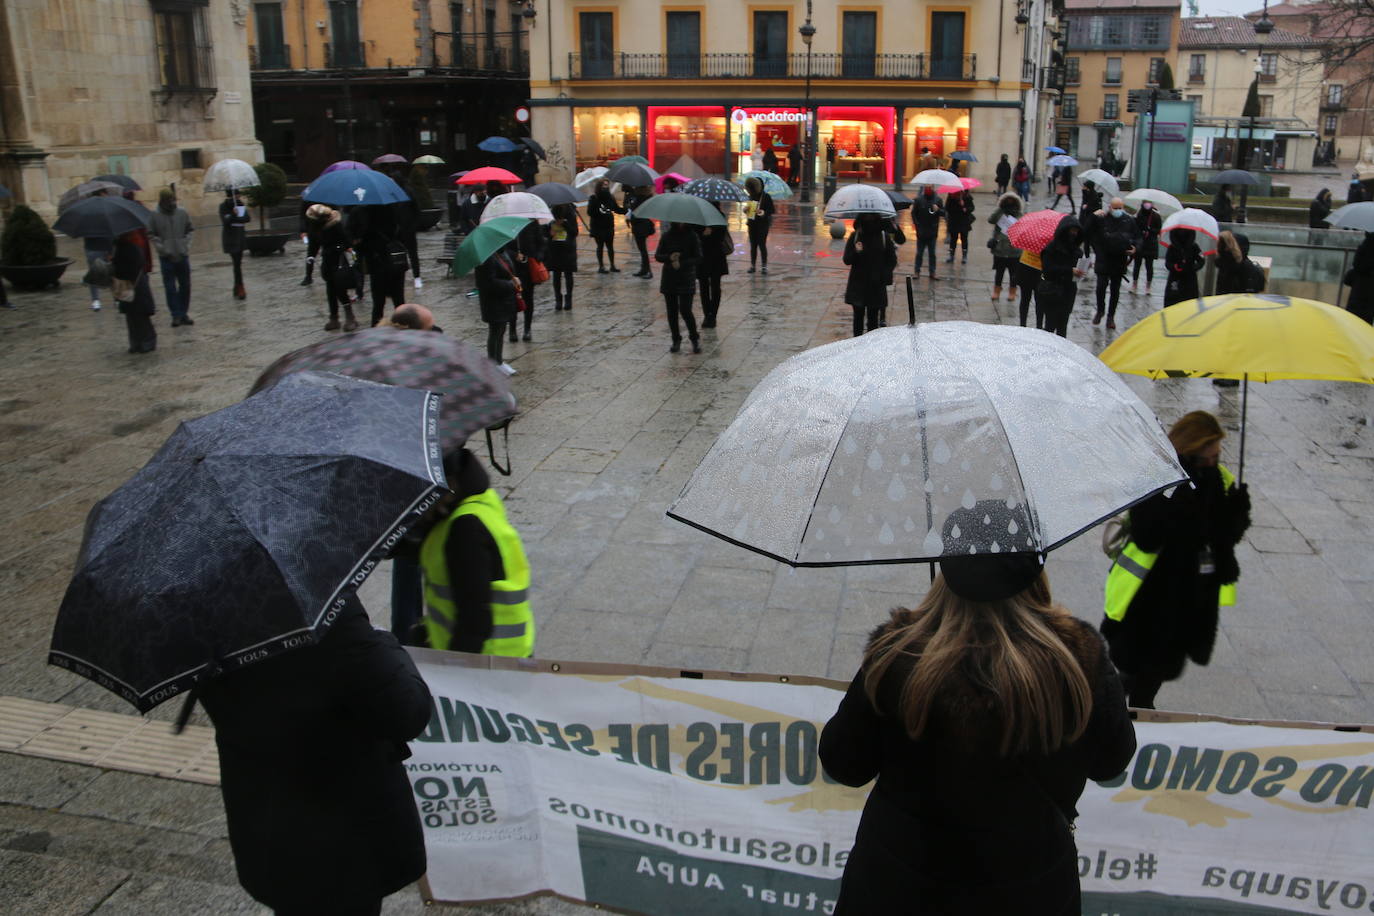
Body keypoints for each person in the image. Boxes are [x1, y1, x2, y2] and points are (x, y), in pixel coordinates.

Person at [820, 547, 1136, 914]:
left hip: (898, 885)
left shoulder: (899, 656)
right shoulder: (1079, 661)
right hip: (1030, 889)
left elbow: (843, 764)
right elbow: (1112, 761)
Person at [197, 595, 431, 916]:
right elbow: (407, 712)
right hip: (344, 834)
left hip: (263, 818)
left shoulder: (195, 607)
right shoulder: (323, 604)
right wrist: (384, 641)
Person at [1101, 411, 1250, 709]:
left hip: (1193, 595)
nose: (1214, 460)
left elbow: (1222, 537)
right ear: (1191, 447)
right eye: (1209, 454)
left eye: (1217, 454)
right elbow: (1147, 535)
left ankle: (1119, 704)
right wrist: (1184, 509)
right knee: (1146, 668)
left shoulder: (1219, 480)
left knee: (1154, 670)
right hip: (1154, 595)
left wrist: (1237, 513)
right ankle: (1129, 719)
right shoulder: (1159, 476)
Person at [418, 448, 534, 655]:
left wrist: (454, 671)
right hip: (504, 657)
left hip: (488, 665)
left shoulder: (465, 529)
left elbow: (474, 622)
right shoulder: (478, 499)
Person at [305, 204, 360, 332]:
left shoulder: (335, 225)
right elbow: (313, 244)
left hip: (338, 259)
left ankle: (350, 316)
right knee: (330, 288)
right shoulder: (314, 227)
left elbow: (346, 241)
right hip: (327, 261)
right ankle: (333, 317)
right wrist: (311, 257)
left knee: (339, 287)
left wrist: (339, 248)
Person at [351, 205, 408, 327]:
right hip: (396, 260)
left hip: (378, 264)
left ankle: (376, 330)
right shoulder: (393, 209)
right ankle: (405, 327)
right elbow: (403, 233)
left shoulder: (363, 213)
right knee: (399, 300)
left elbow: (361, 246)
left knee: (378, 303)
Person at [843, 213, 898, 337]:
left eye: (872, 216)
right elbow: (847, 259)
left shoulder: (884, 237)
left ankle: (869, 349)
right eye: (866, 216)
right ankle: (857, 345)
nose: (869, 219)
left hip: (876, 285)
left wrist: (883, 274)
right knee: (858, 319)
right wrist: (856, 252)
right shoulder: (855, 236)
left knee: (873, 321)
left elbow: (892, 260)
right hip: (858, 285)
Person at [1087, 197, 1139, 330]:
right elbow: (1087, 231)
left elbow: (1137, 237)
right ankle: (1100, 311)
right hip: (1103, 259)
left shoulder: (1129, 221)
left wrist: (1135, 248)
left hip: (1119, 260)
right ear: (1109, 207)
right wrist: (1093, 216)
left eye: (1119, 208)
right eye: (1115, 208)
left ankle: (1111, 316)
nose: (1117, 211)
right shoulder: (1102, 219)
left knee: (1115, 290)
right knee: (1101, 287)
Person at [147, 188, 194, 327]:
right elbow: (151, 234)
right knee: (170, 287)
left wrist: (185, 245)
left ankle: (184, 312)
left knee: (185, 285)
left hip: (182, 254)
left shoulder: (182, 213)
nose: (171, 202)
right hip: (166, 257)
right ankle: (176, 314)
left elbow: (190, 230)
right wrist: (162, 248)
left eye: (172, 199)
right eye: (168, 200)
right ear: (162, 201)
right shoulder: (154, 215)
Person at [655, 221, 702, 354]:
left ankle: (694, 338)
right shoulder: (666, 236)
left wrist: (681, 262)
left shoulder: (692, 236)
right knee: (671, 311)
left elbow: (698, 257)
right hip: (669, 278)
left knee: (686, 310)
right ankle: (676, 339)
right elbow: (658, 256)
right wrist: (670, 258)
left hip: (686, 277)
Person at [1037, 216, 1086, 337]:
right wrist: (1070, 270)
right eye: (1071, 230)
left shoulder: (1077, 251)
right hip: (1052, 291)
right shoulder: (1051, 249)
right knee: (1050, 325)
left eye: (1076, 231)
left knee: (1063, 325)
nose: (1074, 234)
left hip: (1068, 291)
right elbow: (1048, 270)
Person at [111, 228, 157, 354]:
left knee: (139, 316)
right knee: (132, 316)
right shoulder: (118, 248)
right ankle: (137, 343)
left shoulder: (131, 248)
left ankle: (146, 342)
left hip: (135, 286)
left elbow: (135, 266)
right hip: (129, 286)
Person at [695, 208, 732, 329]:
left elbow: (722, 235)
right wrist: (702, 232)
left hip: (716, 256)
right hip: (703, 256)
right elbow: (694, 234)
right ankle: (708, 315)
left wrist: (712, 232)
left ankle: (712, 316)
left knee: (715, 286)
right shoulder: (697, 217)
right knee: (704, 286)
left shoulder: (719, 215)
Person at [509, 219, 545, 341]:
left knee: (528, 299)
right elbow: (502, 249)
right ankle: (512, 330)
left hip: (529, 268)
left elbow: (541, 244)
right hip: (512, 270)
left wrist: (538, 257)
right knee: (513, 300)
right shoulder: (509, 224)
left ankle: (527, 329)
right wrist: (514, 255)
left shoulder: (533, 224)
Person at [988, 193, 1023, 306]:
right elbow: (991, 220)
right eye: (1007, 200)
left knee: (1014, 273)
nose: (1009, 203)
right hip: (1000, 248)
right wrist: (999, 209)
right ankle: (996, 291)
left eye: (1012, 201)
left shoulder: (1019, 215)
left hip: (1014, 250)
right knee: (999, 272)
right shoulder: (1000, 213)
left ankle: (1012, 291)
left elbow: (1022, 228)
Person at [587, 178, 626, 273]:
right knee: (600, 246)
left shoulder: (610, 197)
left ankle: (612, 265)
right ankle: (601, 266)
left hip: (608, 225)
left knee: (610, 246)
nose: (606, 186)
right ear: (599, 186)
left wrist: (626, 210)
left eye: (607, 185)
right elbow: (590, 212)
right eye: (604, 185)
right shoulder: (594, 198)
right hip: (598, 226)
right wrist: (599, 210)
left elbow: (616, 209)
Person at [544, 202, 578, 311]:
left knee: (568, 274)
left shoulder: (570, 213)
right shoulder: (548, 215)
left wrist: (564, 224)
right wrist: (550, 233)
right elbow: (543, 232)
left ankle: (569, 299)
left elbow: (574, 232)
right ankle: (558, 299)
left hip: (568, 249)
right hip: (554, 249)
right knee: (556, 275)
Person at [219, 190, 251, 300]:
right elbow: (225, 220)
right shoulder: (223, 206)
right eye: (237, 195)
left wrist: (236, 217)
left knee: (238, 263)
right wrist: (233, 214)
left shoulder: (240, 204)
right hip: (231, 238)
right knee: (236, 263)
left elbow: (246, 218)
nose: (239, 197)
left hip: (240, 237)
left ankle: (236, 287)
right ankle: (240, 287)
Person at [1162, 227, 1204, 307]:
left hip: (1190, 279)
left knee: (1190, 303)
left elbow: (1201, 261)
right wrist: (1175, 267)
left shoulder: (1194, 247)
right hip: (1175, 279)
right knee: (1172, 303)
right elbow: (1167, 263)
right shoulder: (1172, 247)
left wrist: (1193, 268)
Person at [912, 187, 945, 280]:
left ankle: (932, 272)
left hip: (932, 231)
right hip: (921, 231)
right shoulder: (919, 200)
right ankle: (917, 271)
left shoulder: (938, 200)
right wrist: (917, 225)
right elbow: (914, 213)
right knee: (919, 253)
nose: (928, 189)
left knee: (932, 253)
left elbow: (944, 213)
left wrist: (938, 210)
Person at [744, 176, 774, 274]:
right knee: (753, 245)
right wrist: (746, 210)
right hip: (752, 224)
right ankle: (752, 265)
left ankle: (764, 266)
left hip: (762, 224)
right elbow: (749, 210)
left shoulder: (766, 197)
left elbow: (771, 210)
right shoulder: (751, 196)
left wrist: (763, 212)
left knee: (762, 244)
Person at [624, 185, 656, 279]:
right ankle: (644, 269)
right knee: (642, 250)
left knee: (643, 250)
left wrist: (631, 207)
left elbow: (636, 211)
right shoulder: (646, 197)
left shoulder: (640, 199)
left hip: (640, 226)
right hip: (642, 226)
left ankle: (648, 271)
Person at [1130, 202, 1163, 292]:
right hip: (1140, 242)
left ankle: (1148, 286)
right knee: (1137, 264)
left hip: (1151, 244)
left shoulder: (1156, 216)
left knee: (1149, 265)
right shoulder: (1138, 215)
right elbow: (1134, 228)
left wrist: (1150, 230)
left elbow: (1158, 229)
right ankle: (1134, 284)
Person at [1342, 231, 1374, 324]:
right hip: (1369, 292)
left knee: (1353, 319)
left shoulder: (1365, 246)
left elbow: (1357, 264)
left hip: (1359, 289)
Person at [944, 189, 975, 264]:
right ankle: (951, 255)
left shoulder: (967, 197)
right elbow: (947, 208)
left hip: (964, 222)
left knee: (964, 239)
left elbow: (972, 208)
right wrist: (957, 205)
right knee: (953, 239)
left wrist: (965, 208)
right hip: (954, 221)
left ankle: (964, 256)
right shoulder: (951, 196)